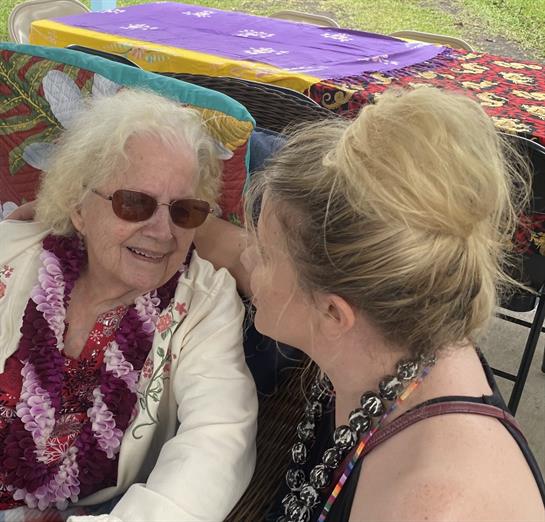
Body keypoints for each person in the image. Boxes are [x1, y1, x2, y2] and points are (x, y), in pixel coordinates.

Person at [197, 86, 545, 521]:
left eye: (265, 253)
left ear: (332, 312)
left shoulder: (430, 504)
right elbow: (226, 247)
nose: (248, 257)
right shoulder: (391, 330)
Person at [0, 89, 257, 521]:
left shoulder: (204, 304)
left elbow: (216, 442)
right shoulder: (12, 251)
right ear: (80, 208)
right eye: (134, 203)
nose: (161, 231)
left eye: (185, 211)